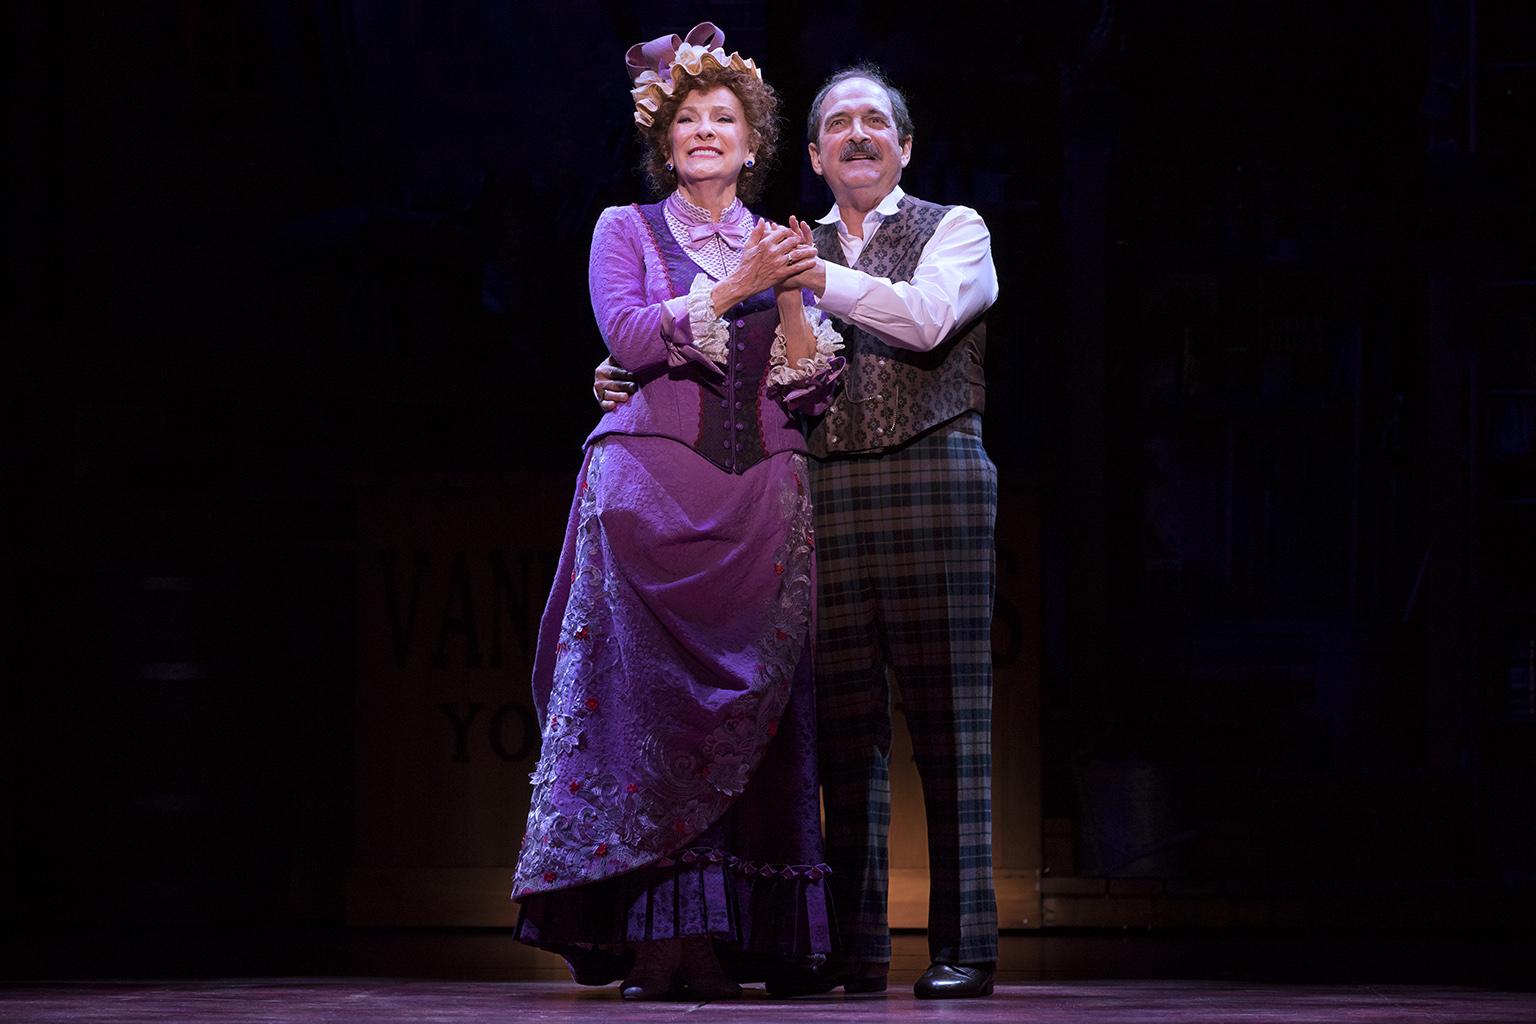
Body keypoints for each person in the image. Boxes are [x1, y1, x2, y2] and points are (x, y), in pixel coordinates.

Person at [597, 64, 1001, 999]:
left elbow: (929, 320)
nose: (858, 135)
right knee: (839, 725)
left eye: (876, 122)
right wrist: (619, 376)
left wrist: (814, 276)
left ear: (905, 145)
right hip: (818, 489)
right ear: (813, 154)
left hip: (933, 479)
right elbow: (713, 340)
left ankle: (964, 945)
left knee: (952, 725)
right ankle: (850, 949)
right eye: (838, 125)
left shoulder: (951, 228)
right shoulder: (779, 239)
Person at [511, 23, 845, 1002]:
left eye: (725, 119)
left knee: (753, 715)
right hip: (647, 504)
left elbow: (810, 385)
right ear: (667, 142)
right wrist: (733, 285)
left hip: (758, 506)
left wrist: (777, 286)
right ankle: (652, 935)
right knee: (647, 719)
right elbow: (625, 332)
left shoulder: (786, 239)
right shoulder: (624, 227)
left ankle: (730, 938)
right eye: (689, 119)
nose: (706, 132)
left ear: (754, 142)